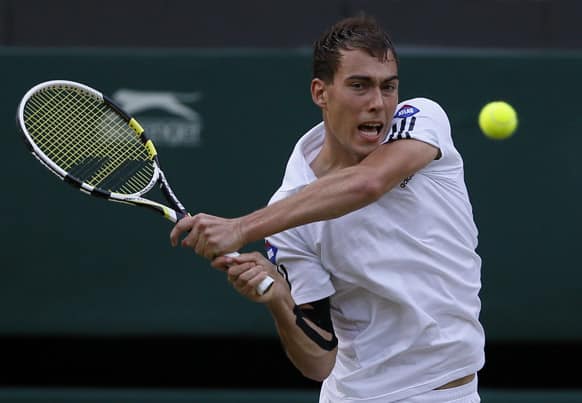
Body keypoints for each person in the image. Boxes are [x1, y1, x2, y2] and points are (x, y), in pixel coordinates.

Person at [170, 15, 485, 403]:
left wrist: (240, 228)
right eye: (359, 86)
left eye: (388, 87)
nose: (378, 104)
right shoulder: (287, 212)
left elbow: (367, 183)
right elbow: (319, 362)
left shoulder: (420, 118)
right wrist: (279, 299)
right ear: (321, 93)